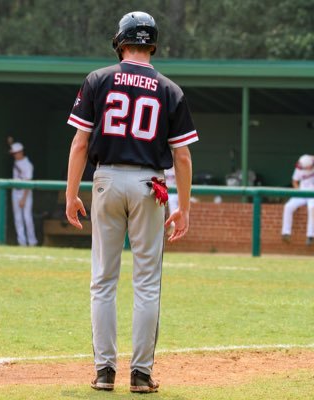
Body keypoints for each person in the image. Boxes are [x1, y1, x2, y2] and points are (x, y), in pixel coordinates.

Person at [65, 11, 198, 393]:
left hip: (106, 178)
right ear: (152, 45)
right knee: (147, 284)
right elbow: (183, 156)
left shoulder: (97, 80)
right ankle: (141, 375)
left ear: (120, 42)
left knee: (103, 281)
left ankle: (104, 372)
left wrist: (71, 192)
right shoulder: (170, 89)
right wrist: (184, 207)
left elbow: (79, 143)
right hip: (150, 184)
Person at [281, 154, 314, 245]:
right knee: (288, 206)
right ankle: (286, 233)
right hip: (302, 192)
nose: (303, 169)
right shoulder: (300, 167)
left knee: (312, 208)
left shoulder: (311, 163)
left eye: (306, 167)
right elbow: (294, 181)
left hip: (313, 194)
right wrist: (297, 191)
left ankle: (310, 236)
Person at [10, 142, 38, 246]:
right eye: (13, 153)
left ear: (21, 152)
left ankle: (32, 241)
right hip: (15, 191)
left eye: (16, 153)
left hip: (25, 192)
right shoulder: (16, 162)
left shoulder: (27, 164)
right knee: (18, 218)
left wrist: (23, 199)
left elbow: (28, 182)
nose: (14, 155)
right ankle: (21, 242)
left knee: (27, 217)